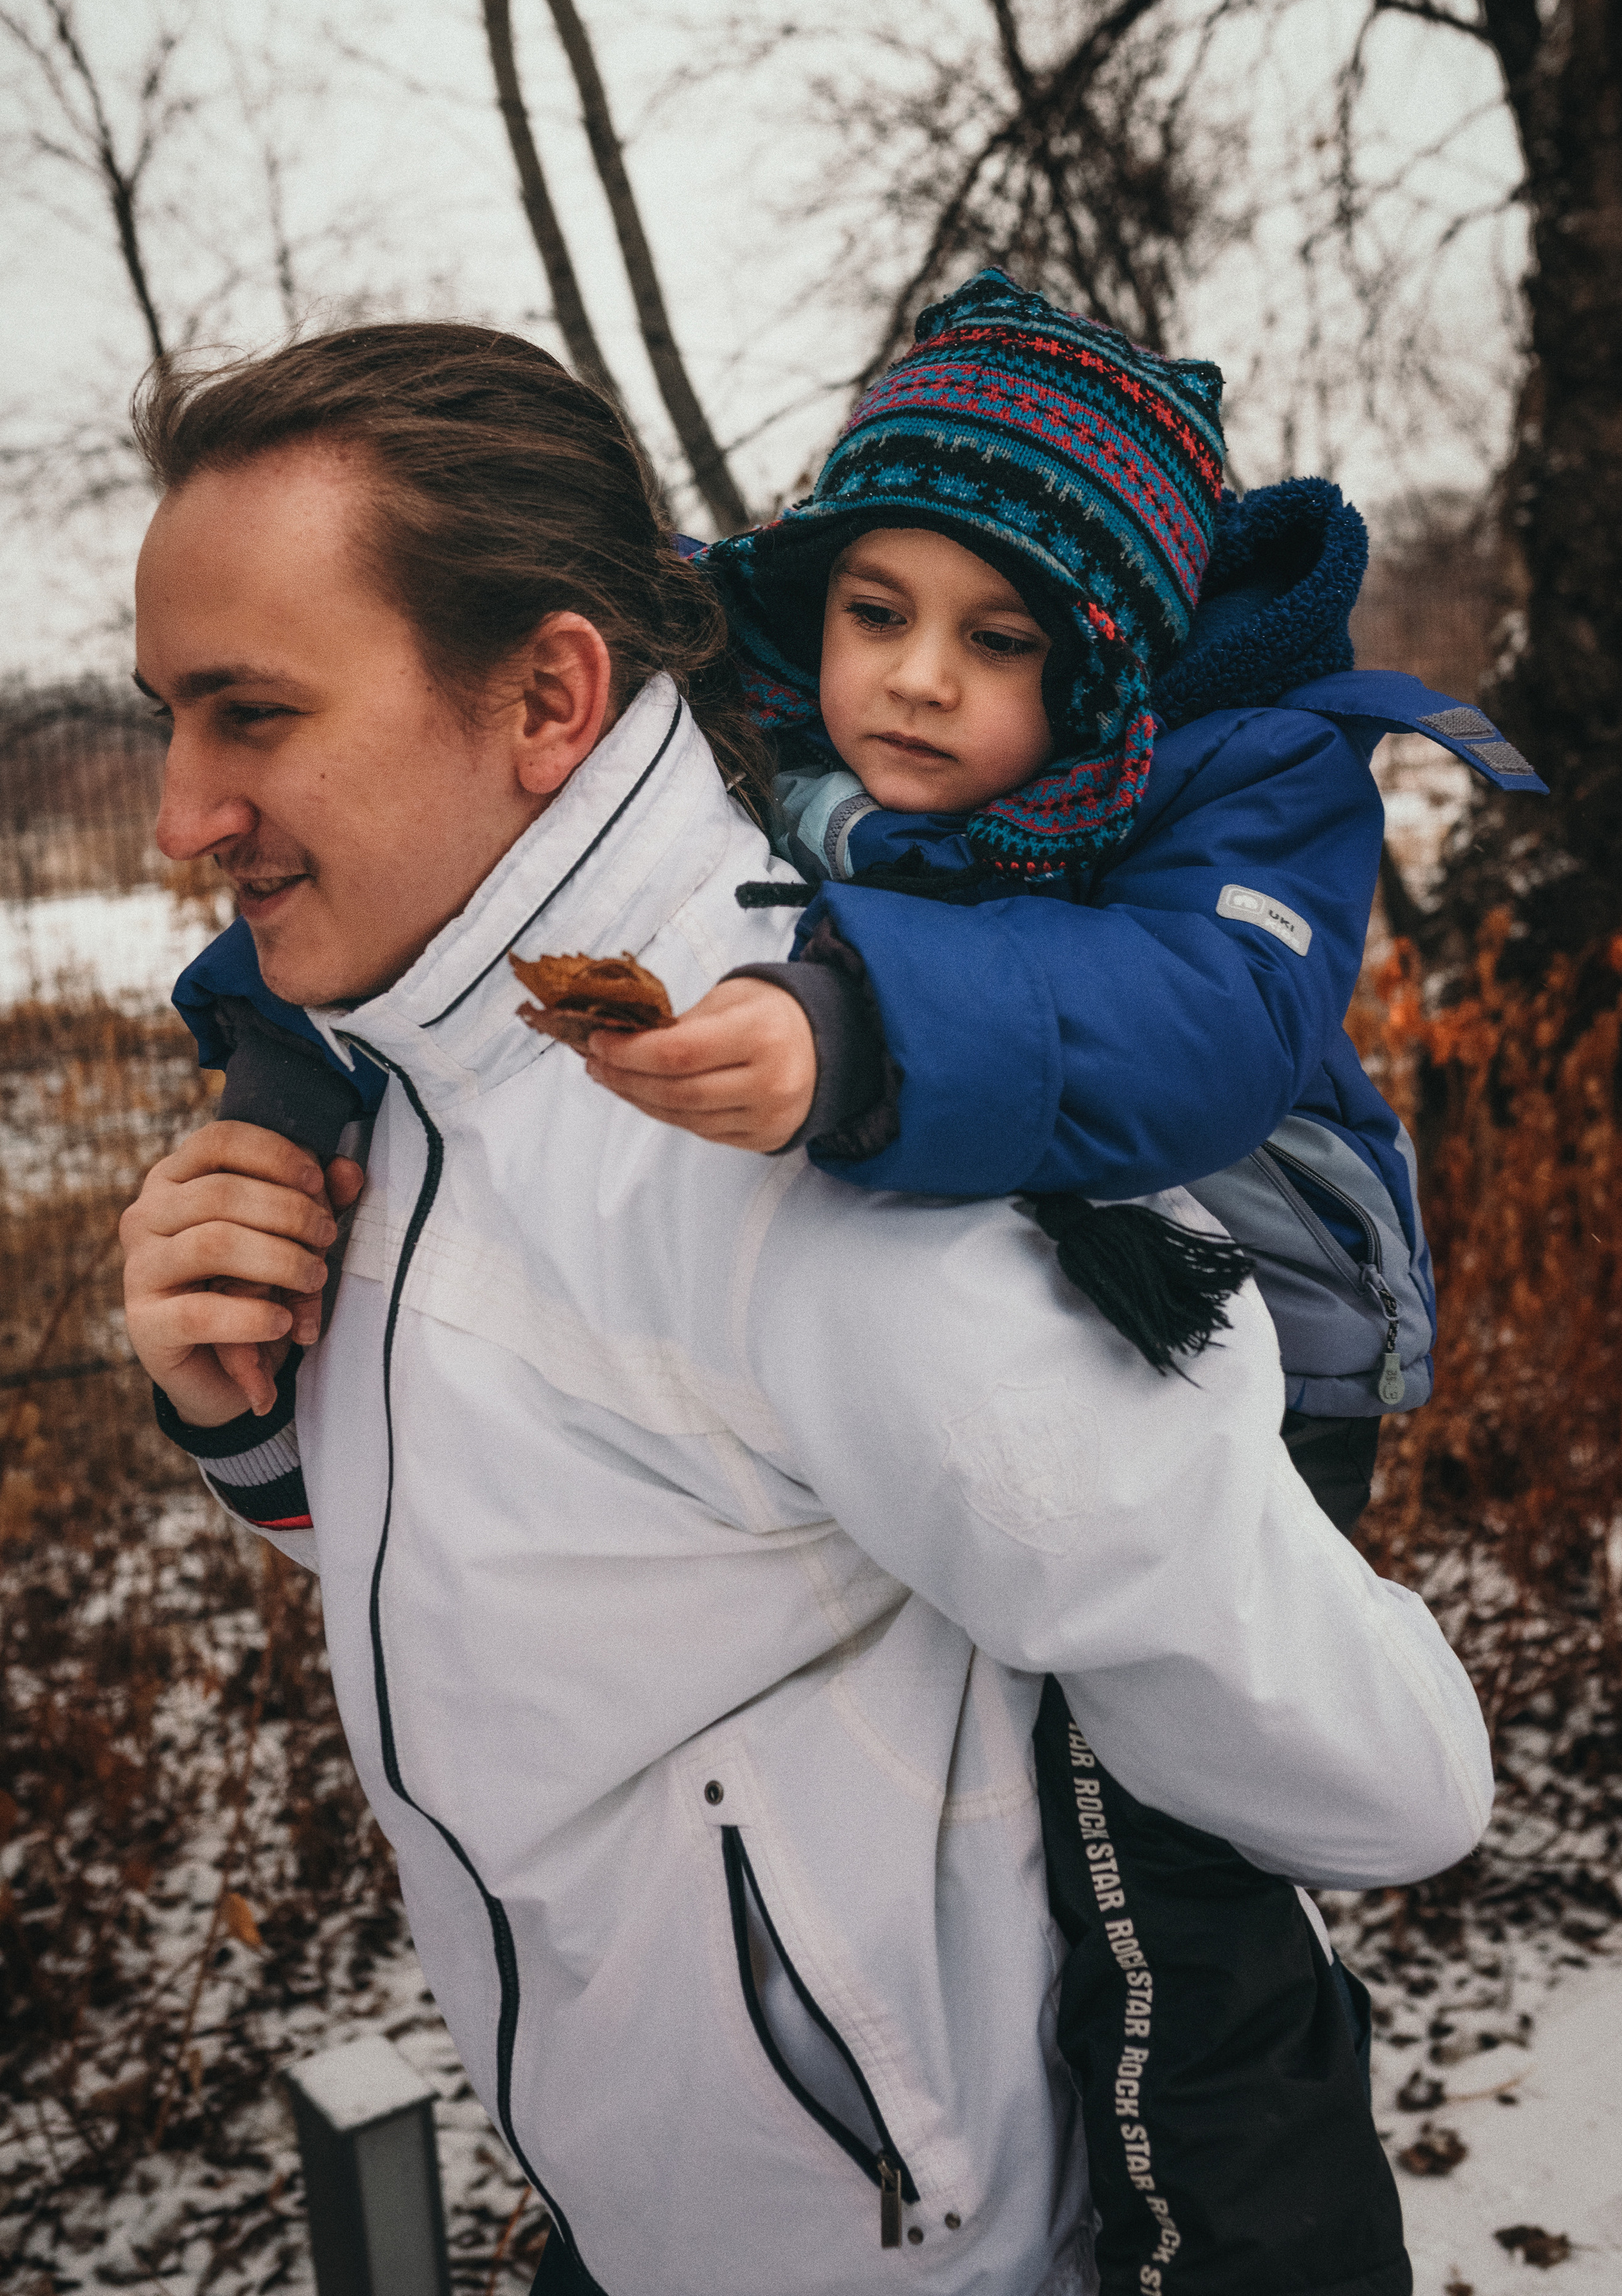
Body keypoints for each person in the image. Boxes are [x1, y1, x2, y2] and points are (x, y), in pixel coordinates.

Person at [119, 322, 1494, 2296]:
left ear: (549, 695)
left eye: (248, 715)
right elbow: (577, 1546)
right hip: (643, 2227)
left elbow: (1394, 1780)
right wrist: (248, 1409)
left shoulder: (805, 1165)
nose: (180, 813)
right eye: (166, 714)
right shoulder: (416, 1059)